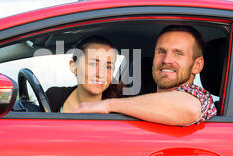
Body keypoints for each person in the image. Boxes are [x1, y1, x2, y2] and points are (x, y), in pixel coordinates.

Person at [73, 25, 217, 126]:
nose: (166, 60)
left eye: (178, 53)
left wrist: (108, 105)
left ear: (197, 65)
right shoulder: (138, 103)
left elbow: (190, 108)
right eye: (161, 52)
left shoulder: (199, 98)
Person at [45, 36, 123, 113]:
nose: (101, 74)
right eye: (93, 64)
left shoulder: (119, 109)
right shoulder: (54, 96)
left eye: (108, 67)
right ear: (74, 66)